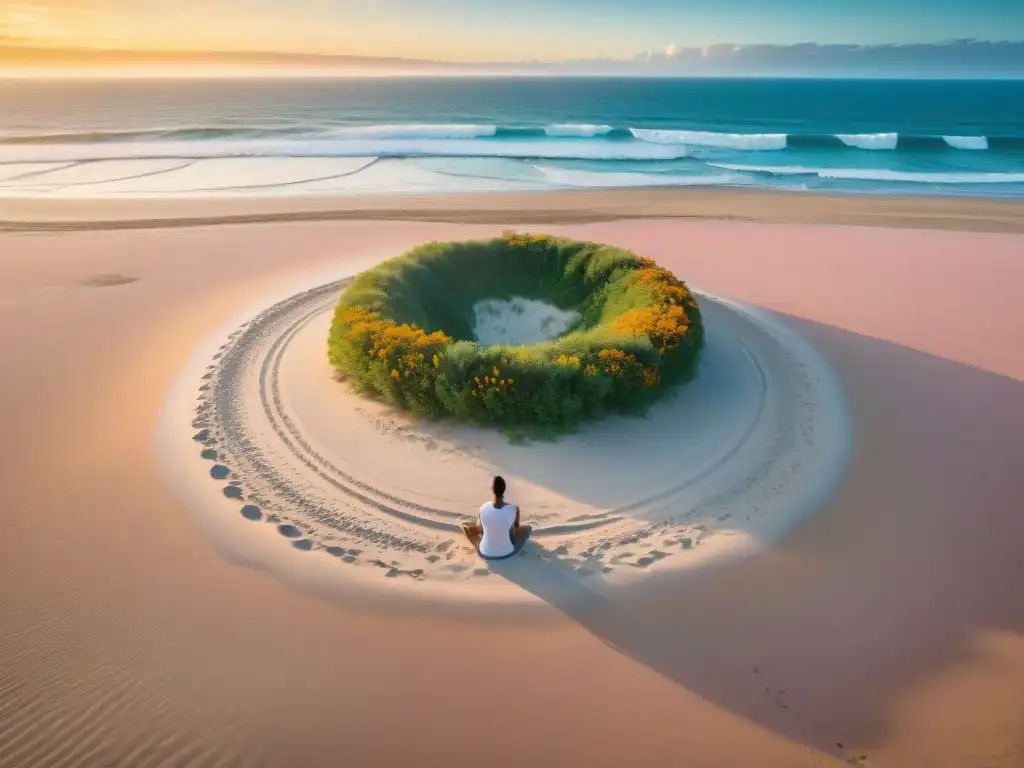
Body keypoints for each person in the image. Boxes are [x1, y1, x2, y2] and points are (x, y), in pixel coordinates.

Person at [461, 475, 531, 560]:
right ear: (504, 489)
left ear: (492, 489)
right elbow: (516, 527)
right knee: (527, 529)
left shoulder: (483, 508)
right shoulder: (514, 509)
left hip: (485, 552)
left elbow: (479, 529)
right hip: (509, 552)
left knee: (465, 526)